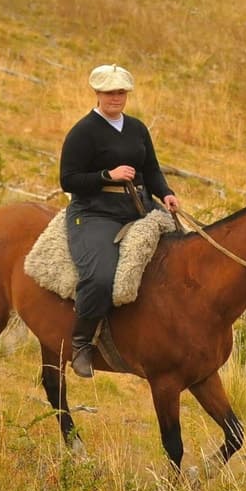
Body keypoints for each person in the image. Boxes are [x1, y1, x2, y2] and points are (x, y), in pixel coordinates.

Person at [58, 64, 180, 377]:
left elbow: (150, 170)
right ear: (97, 93)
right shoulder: (83, 131)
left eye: (121, 92)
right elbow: (68, 180)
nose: (116, 97)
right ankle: (82, 343)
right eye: (110, 92)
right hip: (94, 212)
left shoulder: (138, 128)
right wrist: (106, 176)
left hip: (138, 206)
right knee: (100, 277)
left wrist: (165, 193)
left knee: (185, 253)